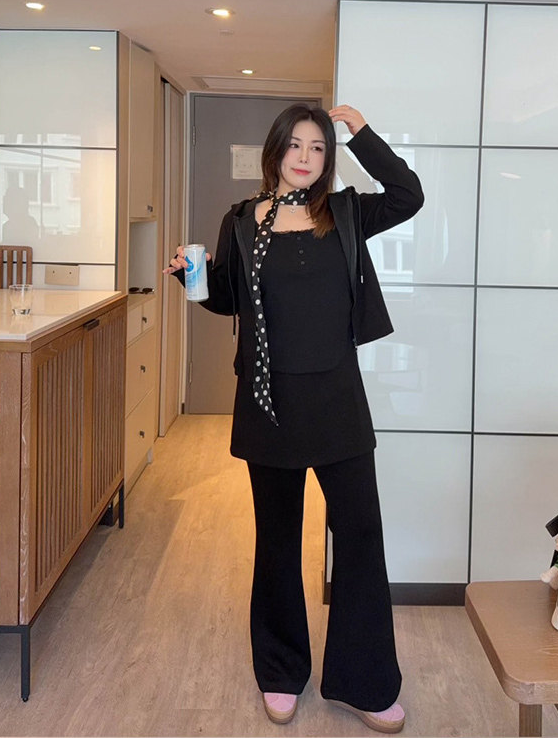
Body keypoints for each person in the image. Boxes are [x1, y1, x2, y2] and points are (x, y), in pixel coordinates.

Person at [167, 100, 423, 728]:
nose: (305, 157)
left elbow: (408, 194)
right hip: (268, 404)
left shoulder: (345, 212)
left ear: (327, 158)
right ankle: (280, 672)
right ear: (275, 151)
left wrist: (360, 132)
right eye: (295, 146)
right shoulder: (241, 220)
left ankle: (366, 682)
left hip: (337, 400)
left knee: (360, 538)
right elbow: (227, 297)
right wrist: (189, 279)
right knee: (278, 542)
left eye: (317, 147)